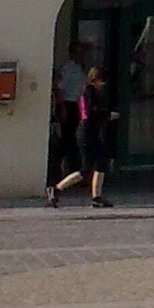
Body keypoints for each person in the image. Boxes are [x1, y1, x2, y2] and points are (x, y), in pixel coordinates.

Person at [48, 66, 115, 208]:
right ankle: (57, 188)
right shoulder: (89, 91)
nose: (102, 85)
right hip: (87, 132)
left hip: (91, 131)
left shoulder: (91, 91)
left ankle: (97, 196)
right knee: (86, 169)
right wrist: (107, 115)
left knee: (101, 162)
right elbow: (91, 112)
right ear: (95, 79)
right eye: (101, 81)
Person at [47, 45, 84, 187]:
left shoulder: (80, 68)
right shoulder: (67, 69)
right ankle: (60, 172)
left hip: (78, 105)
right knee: (67, 139)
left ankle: (74, 172)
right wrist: (62, 108)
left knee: (74, 139)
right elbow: (59, 89)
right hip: (69, 104)